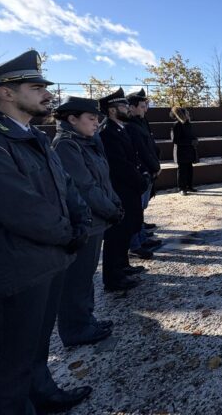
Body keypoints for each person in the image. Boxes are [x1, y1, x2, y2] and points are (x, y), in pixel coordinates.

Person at [0, 50, 93, 414]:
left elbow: (67, 189)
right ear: (6, 93)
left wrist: (80, 224)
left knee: (36, 343)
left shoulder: (34, 137)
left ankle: (43, 393)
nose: (47, 94)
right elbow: (21, 210)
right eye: (36, 87)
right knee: (10, 361)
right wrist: (70, 233)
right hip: (13, 265)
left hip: (47, 258)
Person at [52, 96, 124, 346]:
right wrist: (110, 210)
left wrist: (114, 203)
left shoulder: (85, 142)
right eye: (91, 119)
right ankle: (75, 329)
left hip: (97, 219)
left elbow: (104, 179)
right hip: (86, 222)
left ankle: (86, 319)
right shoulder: (65, 146)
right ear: (72, 119)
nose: (96, 123)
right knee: (77, 278)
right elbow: (85, 186)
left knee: (86, 274)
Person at [99, 88, 150, 286]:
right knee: (116, 235)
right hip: (120, 189)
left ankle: (123, 265)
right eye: (122, 106)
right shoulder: (107, 132)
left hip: (129, 189)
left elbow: (133, 158)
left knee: (127, 229)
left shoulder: (120, 128)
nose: (127, 108)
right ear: (112, 110)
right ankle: (113, 277)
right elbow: (120, 164)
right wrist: (140, 180)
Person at [125, 88, 162, 254]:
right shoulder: (131, 126)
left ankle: (141, 238)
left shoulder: (141, 122)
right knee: (136, 210)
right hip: (141, 172)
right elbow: (141, 150)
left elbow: (149, 146)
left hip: (148, 170)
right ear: (131, 108)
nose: (145, 108)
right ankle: (137, 243)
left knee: (140, 209)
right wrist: (154, 167)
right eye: (141, 106)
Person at [171, 107, 198, 194]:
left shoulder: (188, 124)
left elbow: (192, 135)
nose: (188, 115)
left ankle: (189, 186)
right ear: (182, 115)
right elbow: (175, 140)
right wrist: (190, 142)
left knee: (190, 169)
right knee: (182, 170)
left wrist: (195, 140)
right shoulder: (176, 125)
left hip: (189, 151)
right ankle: (181, 188)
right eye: (186, 113)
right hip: (181, 152)